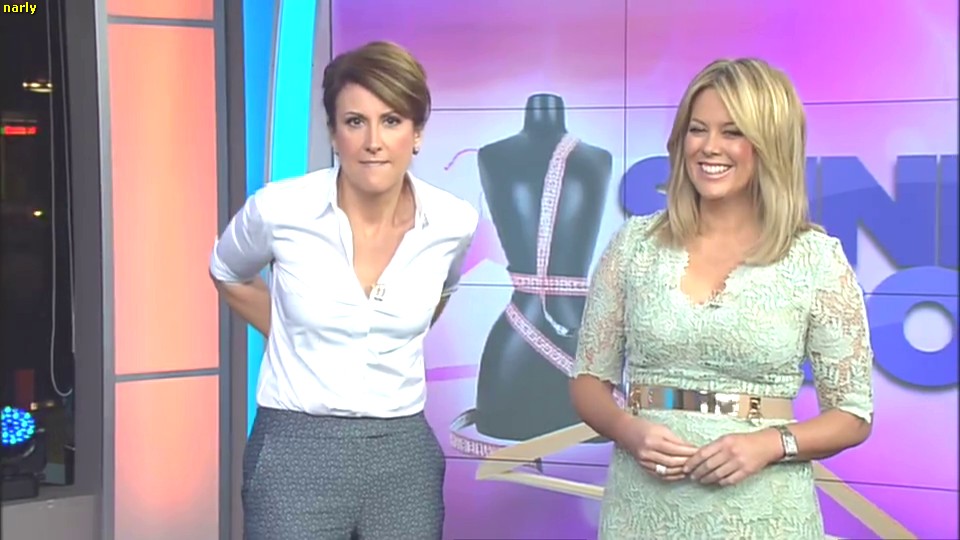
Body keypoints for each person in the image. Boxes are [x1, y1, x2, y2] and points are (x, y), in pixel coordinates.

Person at [570, 58, 874, 539]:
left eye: (732, 132)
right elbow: (589, 381)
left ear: (770, 143)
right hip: (642, 511)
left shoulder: (816, 259)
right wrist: (629, 431)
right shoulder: (634, 245)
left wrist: (770, 444)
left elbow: (852, 415)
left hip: (765, 514)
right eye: (698, 129)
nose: (709, 147)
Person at [210, 41, 478, 540]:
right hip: (296, 449)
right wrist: (290, 335)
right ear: (334, 133)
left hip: (402, 453)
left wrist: (377, 335)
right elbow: (227, 272)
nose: (374, 141)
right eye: (356, 122)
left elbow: (443, 292)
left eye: (392, 120)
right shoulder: (279, 209)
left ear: (417, 133)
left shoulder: (453, 221)